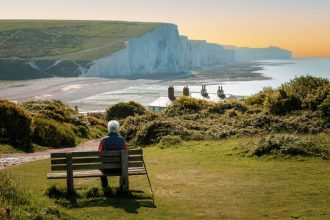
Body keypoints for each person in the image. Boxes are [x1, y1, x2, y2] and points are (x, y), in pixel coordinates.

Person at [98, 120, 128, 191]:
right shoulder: (122, 140)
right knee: (123, 166)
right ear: (117, 128)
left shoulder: (103, 140)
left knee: (100, 169)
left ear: (108, 128)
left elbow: (99, 154)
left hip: (106, 169)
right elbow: (126, 153)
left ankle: (105, 188)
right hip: (120, 168)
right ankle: (122, 187)